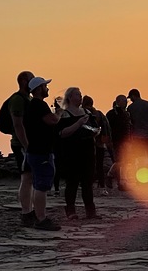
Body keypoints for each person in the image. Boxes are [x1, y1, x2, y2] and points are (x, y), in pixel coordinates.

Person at [24, 77, 83, 230]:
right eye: (45, 86)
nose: (47, 89)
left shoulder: (32, 106)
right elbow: (53, 120)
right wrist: (59, 113)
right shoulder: (39, 105)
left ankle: (38, 216)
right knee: (41, 186)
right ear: (38, 89)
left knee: (38, 184)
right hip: (41, 151)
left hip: (34, 150)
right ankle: (41, 218)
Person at [57, 88, 99, 219]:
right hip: (72, 152)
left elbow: (94, 128)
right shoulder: (64, 114)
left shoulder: (87, 112)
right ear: (69, 97)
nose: (80, 97)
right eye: (77, 95)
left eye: (81, 95)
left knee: (88, 182)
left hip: (88, 151)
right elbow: (62, 133)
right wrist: (79, 123)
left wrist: (95, 131)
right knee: (72, 182)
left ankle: (90, 211)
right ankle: (71, 211)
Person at [7, 71, 35, 227]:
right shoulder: (17, 100)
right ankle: (26, 213)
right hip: (21, 145)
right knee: (26, 178)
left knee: (30, 178)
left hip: (27, 144)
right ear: (24, 81)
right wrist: (26, 145)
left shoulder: (27, 99)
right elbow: (18, 125)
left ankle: (29, 211)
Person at [127, 88, 148, 173]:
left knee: (140, 158)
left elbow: (129, 122)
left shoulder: (130, 108)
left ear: (134, 96)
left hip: (137, 137)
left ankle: (142, 177)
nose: (130, 100)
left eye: (131, 98)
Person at [82, 95, 110, 190]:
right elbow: (106, 127)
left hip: (87, 144)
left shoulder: (83, 113)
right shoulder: (99, 114)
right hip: (100, 143)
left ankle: (87, 184)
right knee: (100, 165)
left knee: (87, 165)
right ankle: (102, 185)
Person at [106, 94, 131, 189]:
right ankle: (111, 176)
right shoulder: (112, 114)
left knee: (125, 161)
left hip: (126, 140)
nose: (125, 103)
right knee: (120, 161)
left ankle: (122, 182)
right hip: (116, 140)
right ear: (118, 101)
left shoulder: (126, 113)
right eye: (124, 101)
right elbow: (108, 127)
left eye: (126, 101)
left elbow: (129, 127)